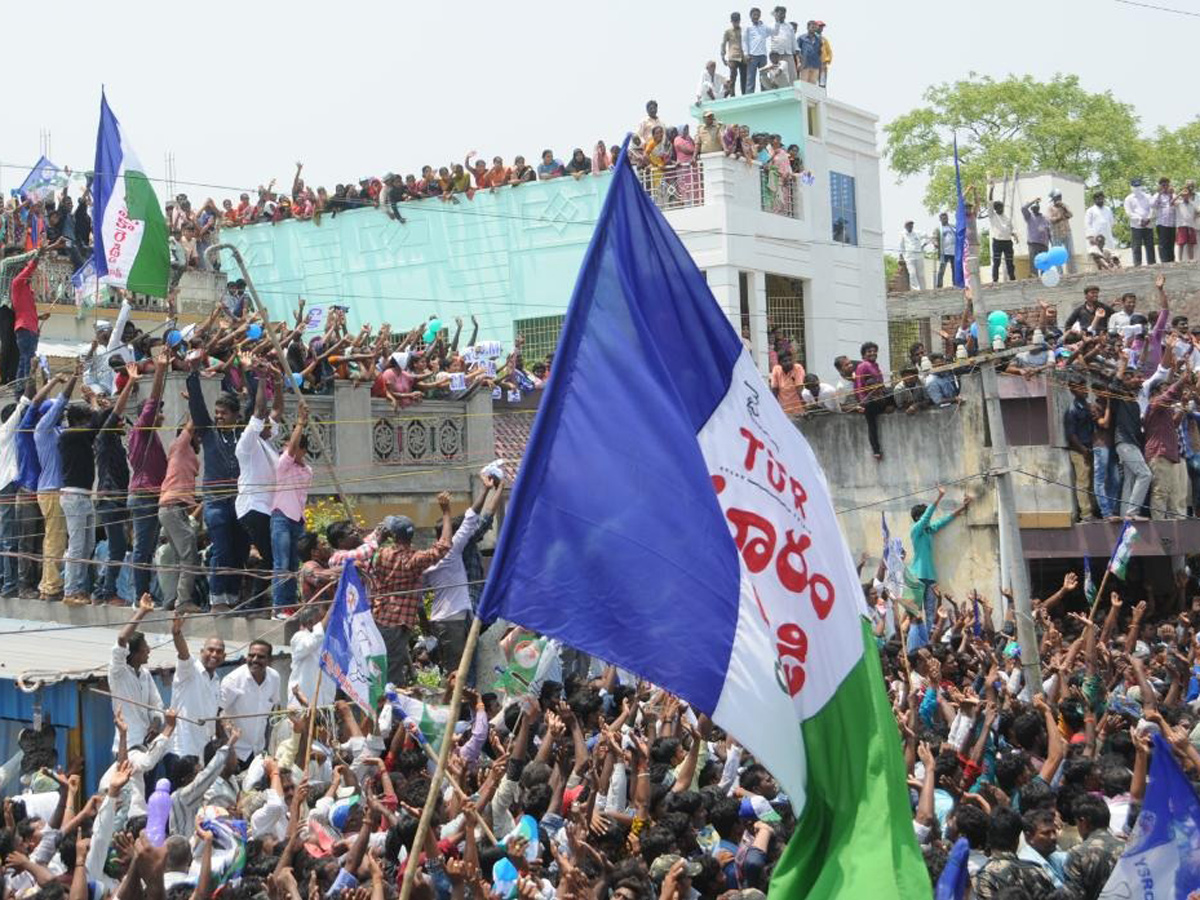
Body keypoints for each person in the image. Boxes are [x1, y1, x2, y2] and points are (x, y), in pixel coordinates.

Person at [423, 474, 504, 675]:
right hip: (461, 615)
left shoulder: (434, 556)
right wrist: (498, 488)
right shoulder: (458, 547)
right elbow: (482, 517)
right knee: (461, 671)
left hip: (460, 615)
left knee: (464, 668)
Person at [370, 497, 452, 686]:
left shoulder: (381, 554)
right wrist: (446, 512)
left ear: (394, 536)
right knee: (390, 670)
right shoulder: (414, 559)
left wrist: (378, 537)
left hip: (383, 617)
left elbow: (367, 549)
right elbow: (444, 546)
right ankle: (388, 707)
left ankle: (390, 703)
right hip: (395, 622)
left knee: (389, 666)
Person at [187, 358, 245, 612]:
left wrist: (248, 372)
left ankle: (232, 596)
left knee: (239, 551)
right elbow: (198, 407)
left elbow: (255, 407)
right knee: (221, 550)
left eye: (224, 413)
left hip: (241, 503)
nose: (218, 416)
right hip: (216, 502)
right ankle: (218, 598)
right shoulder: (209, 433)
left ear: (235, 416)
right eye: (217, 413)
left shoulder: (242, 434)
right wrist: (192, 375)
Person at [906, 486, 970, 650]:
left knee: (930, 611)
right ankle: (913, 643)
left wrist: (962, 508)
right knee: (915, 613)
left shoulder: (928, 531)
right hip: (917, 576)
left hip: (929, 577)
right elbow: (928, 516)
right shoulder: (916, 531)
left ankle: (926, 642)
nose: (927, 519)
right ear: (919, 518)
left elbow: (944, 520)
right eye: (924, 516)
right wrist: (939, 497)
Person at [164, 610, 225, 781]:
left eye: (219, 652)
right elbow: (183, 653)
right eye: (210, 650)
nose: (214, 655)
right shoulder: (190, 670)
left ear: (224, 656)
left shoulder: (216, 680)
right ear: (201, 651)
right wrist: (176, 632)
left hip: (200, 755)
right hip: (180, 751)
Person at [269, 405, 313, 615]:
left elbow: (294, 448)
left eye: (293, 448)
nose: (287, 451)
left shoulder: (307, 470)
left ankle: (287, 605)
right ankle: (278, 606)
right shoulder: (283, 465)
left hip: (298, 520)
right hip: (282, 518)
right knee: (282, 563)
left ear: (303, 451)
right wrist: (300, 423)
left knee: (293, 565)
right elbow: (292, 449)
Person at [107, 596, 165, 753]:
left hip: (146, 746)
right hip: (127, 747)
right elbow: (121, 639)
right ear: (134, 653)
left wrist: (156, 722)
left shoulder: (145, 674)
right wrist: (142, 611)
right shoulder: (118, 672)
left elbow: (157, 705)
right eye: (145, 647)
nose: (149, 650)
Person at [218, 638, 280, 766]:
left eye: (261, 657)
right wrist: (226, 746)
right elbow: (216, 714)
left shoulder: (274, 678)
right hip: (236, 753)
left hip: (259, 752)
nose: (255, 660)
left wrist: (268, 746)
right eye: (251, 655)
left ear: (269, 660)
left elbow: (271, 713)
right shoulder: (233, 680)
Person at [1064, 379, 1096, 522]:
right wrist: (1083, 450)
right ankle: (1086, 514)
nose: (1084, 390)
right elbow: (1071, 435)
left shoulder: (1087, 407)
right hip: (1079, 451)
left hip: (1090, 449)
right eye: (1080, 388)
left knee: (1091, 482)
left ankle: (1093, 510)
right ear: (1073, 391)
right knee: (1082, 482)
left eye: (1085, 387)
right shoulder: (1072, 410)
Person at [854, 342, 887, 460]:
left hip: (879, 397)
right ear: (863, 355)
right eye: (869, 352)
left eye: (874, 351)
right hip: (870, 402)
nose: (872, 353)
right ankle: (876, 450)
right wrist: (863, 401)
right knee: (872, 425)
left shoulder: (875, 365)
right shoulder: (863, 366)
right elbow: (859, 385)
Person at [986, 185, 1015, 282]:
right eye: (998, 208)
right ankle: (995, 280)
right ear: (995, 209)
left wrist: (1014, 235)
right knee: (996, 262)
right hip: (997, 242)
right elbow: (990, 201)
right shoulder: (992, 216)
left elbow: (1011, 229)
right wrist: (991, 189)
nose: (1001, 209)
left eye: (1002, 207)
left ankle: (1012, 278)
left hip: (1008, 242)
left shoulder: (1007, 218)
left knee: (1010, 261)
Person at [1124, 177, 1155, 266]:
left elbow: (1152, 209)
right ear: (1131, 187)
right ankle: (1137, 265)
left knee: (1150, 245)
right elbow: (1129, 213)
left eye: (1138, 186)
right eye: (1135, 186)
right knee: (1136, 246)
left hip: (1148, 224)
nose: (1137, 188)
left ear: (1141, 186)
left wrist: (1148, 218)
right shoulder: (1128, 199)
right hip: (1136, 226)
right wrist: (1140, 219)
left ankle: (1152, 264)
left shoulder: (1148, 196)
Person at [741, 7, 772, 94]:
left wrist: (776, 20)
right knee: (751, 77)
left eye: (758, 15)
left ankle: (765, 93)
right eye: (754, 15)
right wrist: (746, 54)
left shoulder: (763, 26)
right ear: (750, 16)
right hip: (752, 55)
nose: (756, 16)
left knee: (764, 77)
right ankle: (749, 95)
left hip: (762, 55)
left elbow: (773, 32)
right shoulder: (747, 27)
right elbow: (744, 41)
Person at [769, 349, 805, 418]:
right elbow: (774, 391)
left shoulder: (797, 368)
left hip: (798, 410)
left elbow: (799, 390)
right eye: (785, 361)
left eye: (790, 360)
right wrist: (774, 409)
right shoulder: (776, 369)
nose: (788, 363)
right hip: (783, 411)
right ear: (779, 363)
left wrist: (806, 408)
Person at [1047, 189, 1074, 275]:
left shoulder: (1064, 206)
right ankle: (1060, 273)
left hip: (1067, 232)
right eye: (1057, 197)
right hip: (1056, 234)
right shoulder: (1050, 208)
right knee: (1057, 254)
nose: (1059, 199)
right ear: (1054, 199)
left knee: (1070, 253)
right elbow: (1050, 220)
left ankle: (1072, 272)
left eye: (1060, 197)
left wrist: (1064, 208)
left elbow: (1070, 215)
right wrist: (1060, 217)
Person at [767, 7, 796, 82]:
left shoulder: (789, 26)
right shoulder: (771, 25)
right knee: (775, 73)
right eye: (780, 13)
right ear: (776, 14)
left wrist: (796, 50)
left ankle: (792, 91)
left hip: (788, 53)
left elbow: (793, 39)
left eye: (783, 13)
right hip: (776, 54)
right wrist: (776, 20)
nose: (782, 15)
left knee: (792, 74)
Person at [1151, 176, 1176, 263]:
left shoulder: (1173, 194)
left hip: (1172, 223)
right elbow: (1153, 205)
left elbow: (1176, 204)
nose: (1165, 187)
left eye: (1167, 185)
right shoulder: (1157, 195)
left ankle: (1171, 260)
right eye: (1163, 185)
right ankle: (1164, 261)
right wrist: (1159, 194)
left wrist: (1171, 195)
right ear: (1160, 186)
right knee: (1163, 243)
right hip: (1162, 223)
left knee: (1171, 242)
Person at [1022, 197, 1051, 271]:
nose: (1035, 207)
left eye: (1037, 206)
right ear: (1031, 209)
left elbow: (1049, 232)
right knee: (1034, 264)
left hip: (1044, 244)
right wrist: (1034, 200)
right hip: (1033, 244)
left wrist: (1051, 242)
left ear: (1039, 208)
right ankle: (1034, 278)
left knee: (1044, 265)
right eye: (1033, 206)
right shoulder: (1029, 217)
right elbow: (1023, 208)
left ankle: (1045, 277)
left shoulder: (1045, 218)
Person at [720, 12, 746, 96]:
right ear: (731, 21)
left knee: (744, 77)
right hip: (732, 57)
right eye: (734, 21)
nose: (736, 23)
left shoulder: (743, 30)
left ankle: (744, 94)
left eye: (737, 21)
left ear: (739, 20)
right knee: (733, 77)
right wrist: (723, 57)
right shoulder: (728, 32)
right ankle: (732, 95)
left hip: (743, 56)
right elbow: (723, 43)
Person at [1173, 180, 1197, 263]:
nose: (1186, 196)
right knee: (1181, 243)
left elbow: (1197, 212)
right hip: (1181, 225)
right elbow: (1171, 203)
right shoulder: (1179, 203)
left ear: (1189, 196)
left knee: (1191, 244)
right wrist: (1179, 194)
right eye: (1184, 195)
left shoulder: (1192, 204)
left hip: (1191, 225)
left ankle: (1191, 260)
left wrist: (1194, 217)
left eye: (1187, 195)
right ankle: (1179, 260)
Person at [899, 221, 927, 290]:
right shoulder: (902, 234)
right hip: (909, 257)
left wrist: (923, 245)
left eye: (911, 225)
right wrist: (904, 256)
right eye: (908, 225)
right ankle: (915, 289)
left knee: (921, 274)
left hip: (919, 256)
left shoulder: (917, 233)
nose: (910, 226)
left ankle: (923, 289)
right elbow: (902, 246)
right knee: (912, 274)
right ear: (905, 226)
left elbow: (927, 236)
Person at [934, 213, 955, 289]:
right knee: (942, 269)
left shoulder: (953, 227)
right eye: (943, 218)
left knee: (954, 268)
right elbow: (935, 238)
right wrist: (935, 243)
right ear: (940, 219)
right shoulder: (938, 229)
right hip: (944, 252)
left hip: (953, 251)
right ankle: (939, 285)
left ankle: (955, 284)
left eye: (946, 217)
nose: (944, 219)